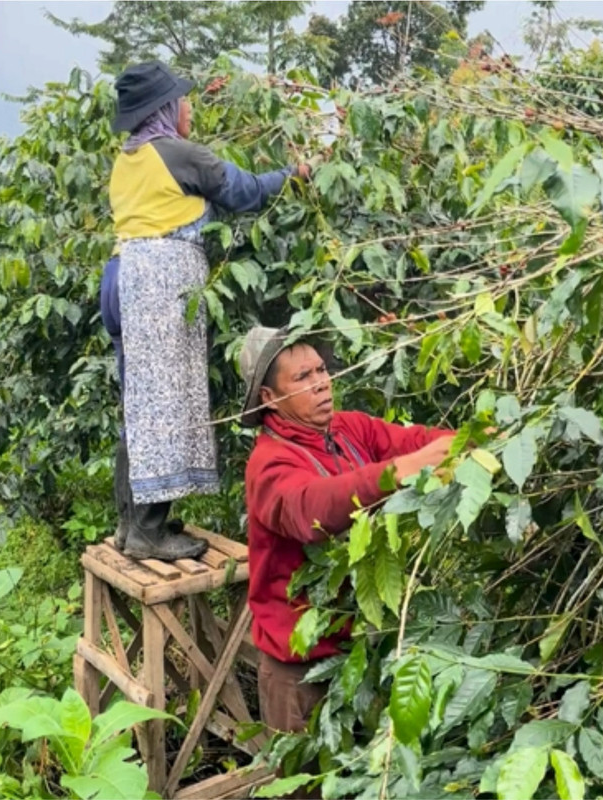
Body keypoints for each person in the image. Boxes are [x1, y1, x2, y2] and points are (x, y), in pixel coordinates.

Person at [100, 62, 311, 562]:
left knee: (140, 406)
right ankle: (150, 534)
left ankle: (131, 527)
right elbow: (241, 191)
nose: (189, 106)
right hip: (157, 287)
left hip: (122, 278)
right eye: (182, 99)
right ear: (164, 109)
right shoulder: (177, 152)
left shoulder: (128, 156)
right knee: (165, 404)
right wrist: (293, 175)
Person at [239, 326, 456, 735]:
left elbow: (413, 441)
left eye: (321, 370)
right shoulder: (268, 464)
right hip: (300, 676)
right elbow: (311, 508)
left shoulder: (348, 429)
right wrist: (400, 472)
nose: (322, 383)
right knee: (305, 791)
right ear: (270, 398)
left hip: (362, 651)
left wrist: (472, 441)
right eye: (303, 378)